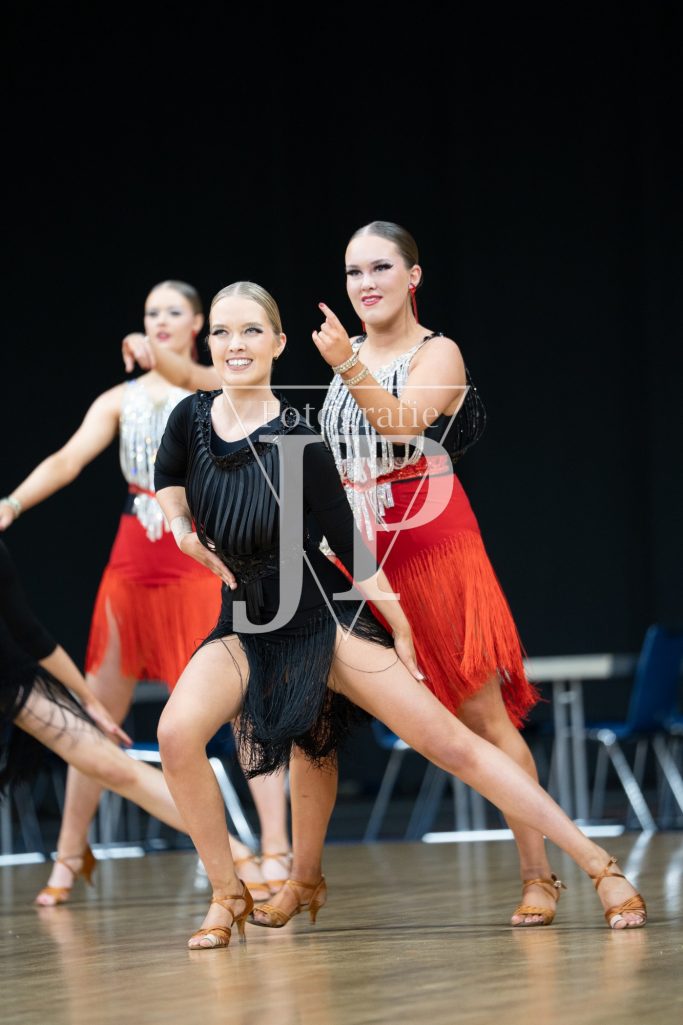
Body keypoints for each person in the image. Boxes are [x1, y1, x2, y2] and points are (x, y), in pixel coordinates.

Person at [153, 280, 646, 950]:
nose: (234, 344)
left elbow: (347, 546)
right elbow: (169, 478)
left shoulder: (299, 436)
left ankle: (597, 865)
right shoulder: (189, 417)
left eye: (250, 331)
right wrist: (182, 528)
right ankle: (227, 893)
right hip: (244, 626)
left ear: (277, 343)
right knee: (176, 733)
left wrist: (402, 627)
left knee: (451, 744)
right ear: (208, 342)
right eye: (222, 332)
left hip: (319, 622)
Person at [259, 220, 565, 929]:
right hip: (353, 558)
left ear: (413, 277)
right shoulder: (348, 356)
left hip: (430, 548)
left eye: (380, 268)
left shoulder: (439, 352)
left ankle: (538, 874)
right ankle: (303, 878)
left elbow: (399, 426)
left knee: (481, 718)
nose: (364, 283)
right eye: (353, 272)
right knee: (311, 720)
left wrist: (345, 363)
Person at [0, 280, 289, 904]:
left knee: (242, 706)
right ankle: (70, 853)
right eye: (151, 312)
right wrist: (12, 504)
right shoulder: (120, 399)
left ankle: (275, 848)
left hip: (194, 563)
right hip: (131, 568)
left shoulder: (211, 388)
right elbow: (67, 460)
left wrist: (161, 357)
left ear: (198, 325)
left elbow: (198, 386)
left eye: (173, 312)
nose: (160, 320)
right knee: (95, 715)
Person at [0, 538, 193, 903]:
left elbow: (30, 634)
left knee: (112, 767)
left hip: (11, 681)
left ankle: (235, 854)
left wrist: (87, 700)